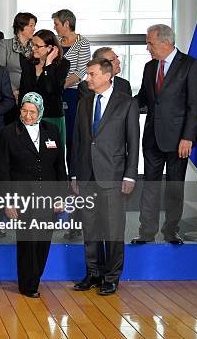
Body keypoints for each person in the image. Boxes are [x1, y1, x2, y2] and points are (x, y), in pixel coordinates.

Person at [71, 58, 140, 296]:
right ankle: (93, 273)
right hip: (87, 176)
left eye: (91, 74)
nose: (87, 78)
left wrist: (130, 175)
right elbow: (78, 142)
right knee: (90, 228)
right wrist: (75, 175)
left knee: (112, 229)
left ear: (106, 75)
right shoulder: (83, 103)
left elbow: (133, 142)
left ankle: (111, 277)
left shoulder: (127, 103)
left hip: (114, 176)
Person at [132, 24, 197, 245]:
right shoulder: (149, 67)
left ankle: (171, 231)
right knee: (150, 187)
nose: (147, 48)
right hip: (152, 137)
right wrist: (121, 107)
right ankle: (146, 232)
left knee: (174, 187)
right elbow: (143, 97)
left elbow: (194, 105)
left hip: (178, 139)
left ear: (165, 42)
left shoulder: (190, 65)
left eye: (150, 43)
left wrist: (188, 137)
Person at [0, 92, 67, 298]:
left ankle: (35, 277)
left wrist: (61, 196)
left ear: (40, 112)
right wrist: (7, 201)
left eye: (32, 112)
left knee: (43, 241)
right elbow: (3, 170)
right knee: (27, 242)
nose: (28, 116)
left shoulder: (52, 130)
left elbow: (60, 166)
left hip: (48, 198)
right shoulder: (9, 133)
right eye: (24, 111)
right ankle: (28, 285)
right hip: (22, 199)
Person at [52, 9, 91, 179]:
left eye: (57, 24)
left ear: (67, 24)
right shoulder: (56, 43)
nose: (55, 28)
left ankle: (73, 178)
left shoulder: (83, 43)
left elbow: (81, 71)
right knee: (55, 138)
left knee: (71, 138)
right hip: (53, 94)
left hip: (72, 94)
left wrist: (60, 86)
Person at [19, 29, 70, 149]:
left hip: (51, 116)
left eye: (38, 46)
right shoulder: (28, 63)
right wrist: (22, 114)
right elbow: (23, 91)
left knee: (52, 155)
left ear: (50, 48)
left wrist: (48, 65)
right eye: (32, 44)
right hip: (28, 116)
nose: (33, 48)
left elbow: (50, 89)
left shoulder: (63, 64)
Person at [0, 12, 37, 102]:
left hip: (32, 95)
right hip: (10, 95)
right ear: (21, 26)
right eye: (31, 25)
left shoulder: (36, 46)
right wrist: (11, 91)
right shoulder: (5, 44)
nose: (34, 29)